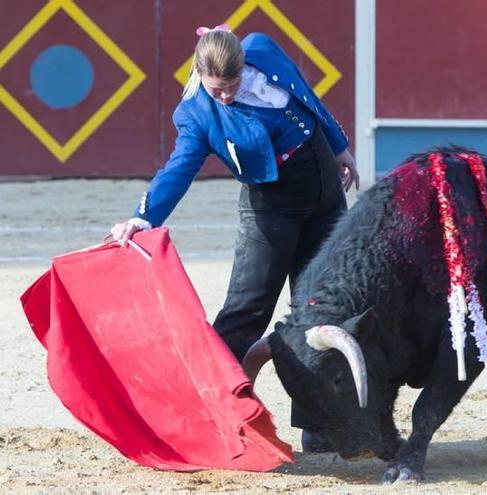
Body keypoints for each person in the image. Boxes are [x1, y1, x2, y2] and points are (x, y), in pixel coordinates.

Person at [110, 26, 357, 452]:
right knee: (247, 309)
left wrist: (339, 146)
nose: (224, 96)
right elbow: (178, 169)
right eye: (216, 89)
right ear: (200, 75)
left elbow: (306, 95)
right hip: (271, 207)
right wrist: (142, 216)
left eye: (231, 86)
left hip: (326, 198)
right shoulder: (197, 114)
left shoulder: (262, 48)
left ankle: (320, 425)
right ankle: (210, 415)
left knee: (322, 305)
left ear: (243, 65)